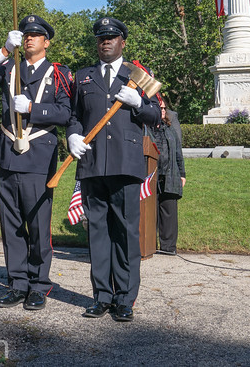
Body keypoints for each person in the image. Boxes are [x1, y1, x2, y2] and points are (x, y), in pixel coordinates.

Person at [0, 15, 72, 311]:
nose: (29, 38)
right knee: (11, 224)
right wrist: (4, 50)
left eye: (35, 34)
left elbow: (65, 113)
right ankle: (17, 283)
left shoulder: (59, 73)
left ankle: (39, 285)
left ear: (46, 42)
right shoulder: (9, 68)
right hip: (7, 154)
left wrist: (33, 109)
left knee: (38, 225)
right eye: (25, 34)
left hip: (38, 156)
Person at [67, 16, 160, 322]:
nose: (105, 41)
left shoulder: (137, 75)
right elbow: (75, 116)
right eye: (101, 37)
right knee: (98, 234)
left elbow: (156, 116)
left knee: (124, 232)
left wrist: (137, 103)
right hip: (93, 164)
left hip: (125, 164)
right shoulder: (83, 76)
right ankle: (101, 296)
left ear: (123, 42)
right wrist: (72, 135)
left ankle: (125, 298)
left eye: (111, 37)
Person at [151, 95, 185, 255]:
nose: (163, 111)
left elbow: (178, 153)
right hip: (151, 175)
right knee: (151, 211)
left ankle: (168, 247)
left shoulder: (171, 129)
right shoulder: (147, 127)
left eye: (165, 108)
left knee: (169, 211)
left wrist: (182, 174)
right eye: (160, 108)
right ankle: (149, 245)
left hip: (170, 174)